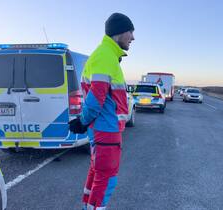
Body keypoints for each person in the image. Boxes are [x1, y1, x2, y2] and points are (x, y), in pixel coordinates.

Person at [69, 12, 135, 210]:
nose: (133, 37)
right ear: (119, 32)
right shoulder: (106, 56)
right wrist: (82, 120)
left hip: (102, 127)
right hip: (106, 128)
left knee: (97, 173)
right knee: (107, 178)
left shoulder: (104, 55)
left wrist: (84, 121)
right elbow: (96, 97)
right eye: (130, 31)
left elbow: (98, 95)